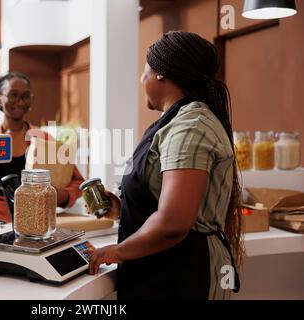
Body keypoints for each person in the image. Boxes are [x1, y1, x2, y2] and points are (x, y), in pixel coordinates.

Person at [87, 31, 244, 300]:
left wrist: (115, 251)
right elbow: (166, 201)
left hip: (184, 274)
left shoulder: (190, 126)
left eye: (144, 70)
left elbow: (173, 223)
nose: (141, 79)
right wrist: (123, 208)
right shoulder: (173, 122)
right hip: (160, 269)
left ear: (160, 72)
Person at [0, 72, 84, 222]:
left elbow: (78, 182)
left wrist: (60, 195)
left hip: (39, 222)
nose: (20, 102)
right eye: (13, 95)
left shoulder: (45, 139)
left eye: (26, 96)